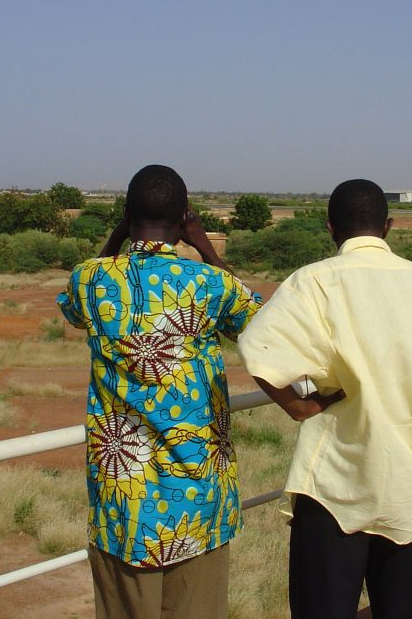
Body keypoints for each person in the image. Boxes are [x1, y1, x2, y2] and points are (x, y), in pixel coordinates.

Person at [238, 179, 412, 619]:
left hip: (336, 486)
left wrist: (297, 404)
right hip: (409, 489)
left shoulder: (315, 282)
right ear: (388, 226)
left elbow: (257, 348)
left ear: (330, 228)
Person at [57, 164, 262, 619]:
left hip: (124, 508)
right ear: (183, 218)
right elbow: (260, 323)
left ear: (127, 217)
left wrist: (118, 238)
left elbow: (73, 310)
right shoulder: (211, 284)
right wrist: (205, 244)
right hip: (200, 501)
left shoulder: (91, 279)